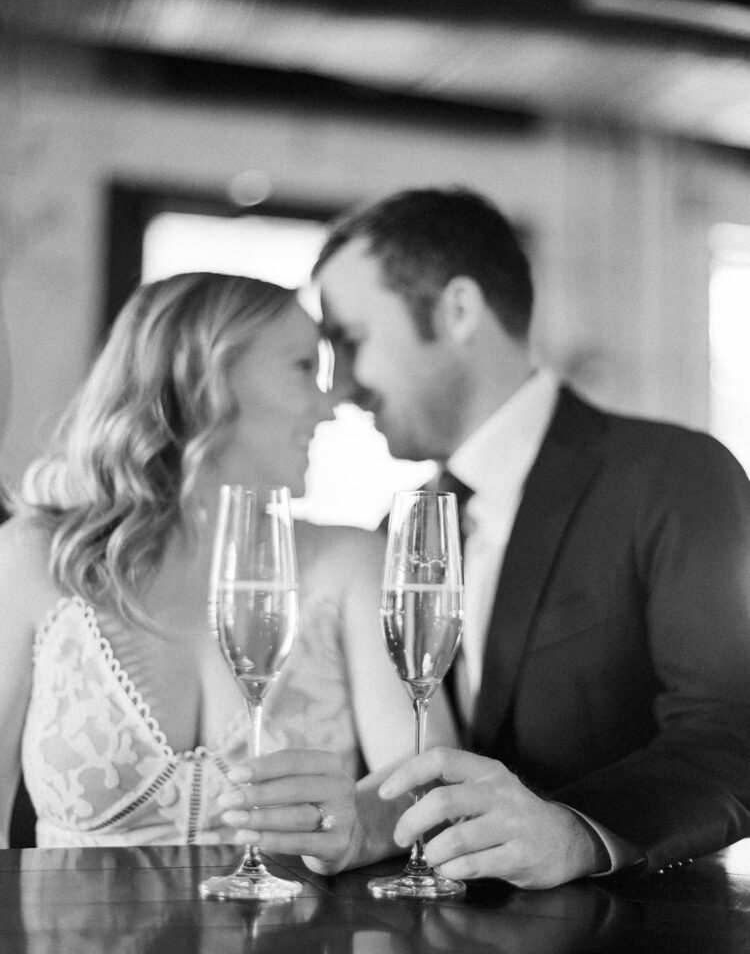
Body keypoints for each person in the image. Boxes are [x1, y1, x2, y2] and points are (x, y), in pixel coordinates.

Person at [309, 185, 750, 888]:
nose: (340, 390)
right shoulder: (401, 528)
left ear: (458, 310)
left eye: (350, 341)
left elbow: (733, 734)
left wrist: (574, 834)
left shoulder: (674, 476)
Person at [0, 271, 457, 858]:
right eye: (302, 368)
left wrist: (355, 822)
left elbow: (429, 781)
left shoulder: (351, 563)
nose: (331, 405)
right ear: (205, 379)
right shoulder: (34, 558)